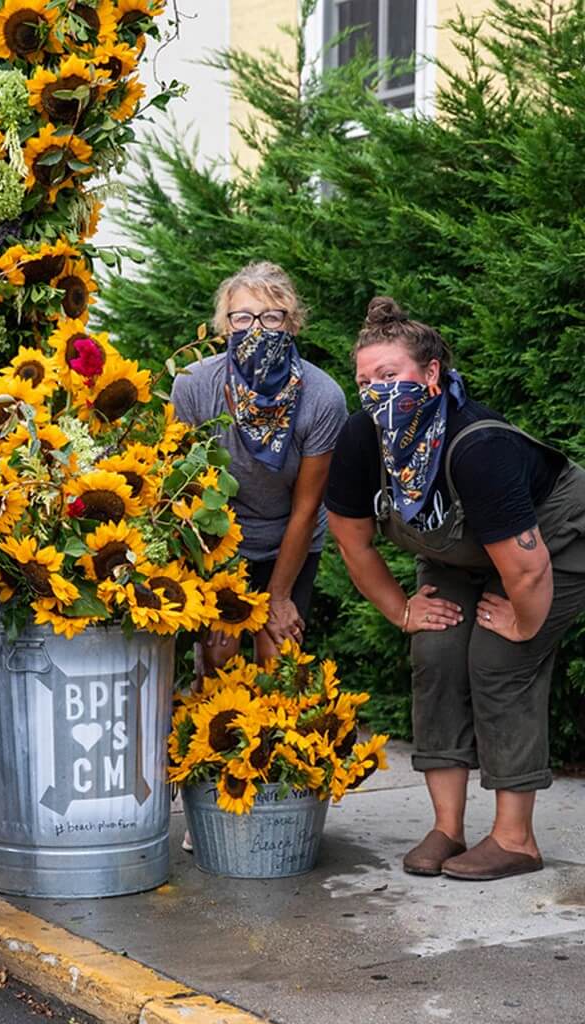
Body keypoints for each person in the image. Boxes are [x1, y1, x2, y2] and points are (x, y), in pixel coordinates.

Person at [326, 297, 585, 881]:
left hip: (552, 540)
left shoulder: (477, 446)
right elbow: (354, 542)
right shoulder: (362, 440)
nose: (376, 393)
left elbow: (529, 570)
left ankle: (516, 840)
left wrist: (522, 623)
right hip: (461, 553)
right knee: (436, 650)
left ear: (433, 374)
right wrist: (402, 611)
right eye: (365, 381)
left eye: (391, 376)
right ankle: (448, 828)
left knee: (501, 658)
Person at [173, 262, 348, 667]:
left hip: (290, 534)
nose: (257, 329)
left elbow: (307, 510)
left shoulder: (324, 398)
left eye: (271, 317)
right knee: (219, 655)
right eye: (243, 317)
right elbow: (187, 490)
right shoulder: (194, 385)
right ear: (225, 326)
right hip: (219, 539)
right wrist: (217, 585)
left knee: (278, 655)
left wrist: (280, 596)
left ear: (291, 326)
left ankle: (276, 732)